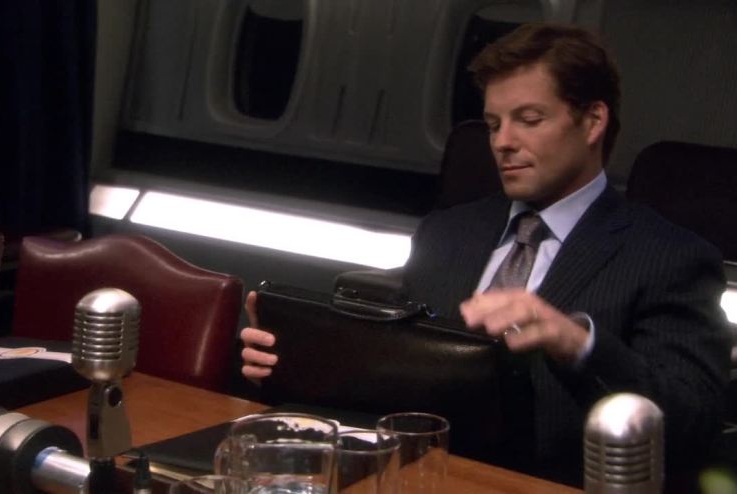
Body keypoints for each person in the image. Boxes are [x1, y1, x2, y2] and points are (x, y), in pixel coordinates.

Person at [239, 23, 730, 485]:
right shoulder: (448, 233)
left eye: (529, 120)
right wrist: (302, 364)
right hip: (425, 477)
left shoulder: (669, 258)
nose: (503, 142)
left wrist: (578, 343)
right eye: (493, 124)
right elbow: (401, 371)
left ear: (592, 121)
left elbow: (692, 423)